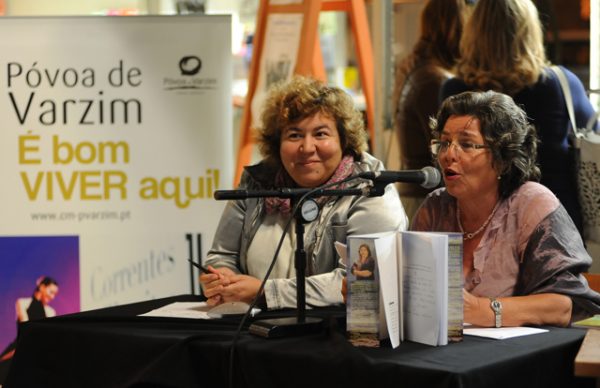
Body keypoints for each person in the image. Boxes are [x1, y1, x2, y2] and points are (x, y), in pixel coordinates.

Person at [201, 76, 407, 310]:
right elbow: (221, 255)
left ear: (344, 140)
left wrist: (265, 293)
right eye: (294, 135)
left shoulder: (372, 189)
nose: (307, 148)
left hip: (337, 335)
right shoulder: (256, 183)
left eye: (320, 134)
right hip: (254, 330)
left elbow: (360, 280)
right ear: (277, 144)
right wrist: (223, 281)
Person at [411, 90, 600, 327]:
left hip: (519, 356)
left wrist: (482, 310)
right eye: (445, 142)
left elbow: (565, 304)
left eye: (467, 144)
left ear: (503, 157)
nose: (449, 154)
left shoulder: (531, 204)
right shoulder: (436, 207)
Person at [440, 0, 597, 236]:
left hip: (478, 227)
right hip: (555, 226)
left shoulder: (455, 90)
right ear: (530, 31)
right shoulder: (559, 84)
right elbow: (593, 140)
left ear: (473, 33)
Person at [392, 0, 469, 220]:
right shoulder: (436, 80)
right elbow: (444, 151)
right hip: (427, 198)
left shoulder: (419, 69)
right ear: (457, 26)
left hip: (419, 195)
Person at [0, 276, 59, 383]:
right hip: (19, 348)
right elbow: (27, 329)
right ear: (42, 287)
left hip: (37, 353)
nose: (52, 297)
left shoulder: (51, 312)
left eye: (55, 294)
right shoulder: (22, 303)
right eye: (51, 292)